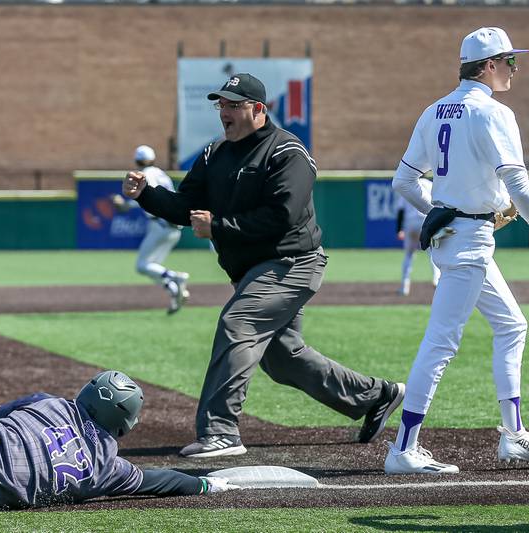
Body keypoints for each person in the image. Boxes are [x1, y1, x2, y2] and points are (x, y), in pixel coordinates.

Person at [122, 73, 404, 458]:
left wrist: (218, 225)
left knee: (238, 323)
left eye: (233, 104)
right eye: (220, 104)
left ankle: (220, 431)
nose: (224, 111)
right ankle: (376, 396)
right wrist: (146, 195)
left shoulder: (287, 152)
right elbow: (184, 205)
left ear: (257, 109)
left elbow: (283, 216)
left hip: (292, 263)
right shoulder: (214, 154)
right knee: (283, 359)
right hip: (253, 272)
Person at [385, 27, 529, 475]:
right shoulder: (493, 112)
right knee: (440, 342)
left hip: (457, 236)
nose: (513, 69)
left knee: (512, 324)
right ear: (488, 65)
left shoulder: (434, 111)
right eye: (509, 61)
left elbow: (404, 182)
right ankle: (403, 448)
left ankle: (514, 434)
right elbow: (517, 180)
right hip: (469, 242)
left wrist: (443, 210)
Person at [0, 370, 238, 511]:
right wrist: (203, 483)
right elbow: (159, 481)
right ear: (123, 423)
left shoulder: (48, 401)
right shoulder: (108, 469)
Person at [112, 145, 189, 314]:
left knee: (142, 265)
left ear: (137, 161)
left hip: (161, 225)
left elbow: (148, 193)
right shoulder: (161, 173)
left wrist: (125, 204)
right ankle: (174, 291)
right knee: (153, 266)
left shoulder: (147, 174)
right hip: (173, 226)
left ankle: (175, 277)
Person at [393, 177, 441, 296]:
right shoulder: (430, 185)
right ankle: (436, 279)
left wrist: (399, 229)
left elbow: (400, 210)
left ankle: (404, 287)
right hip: (426, 221)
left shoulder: (407, 184)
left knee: (409, 254)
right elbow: (438, 205)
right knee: (432, 252)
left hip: (410, 223)